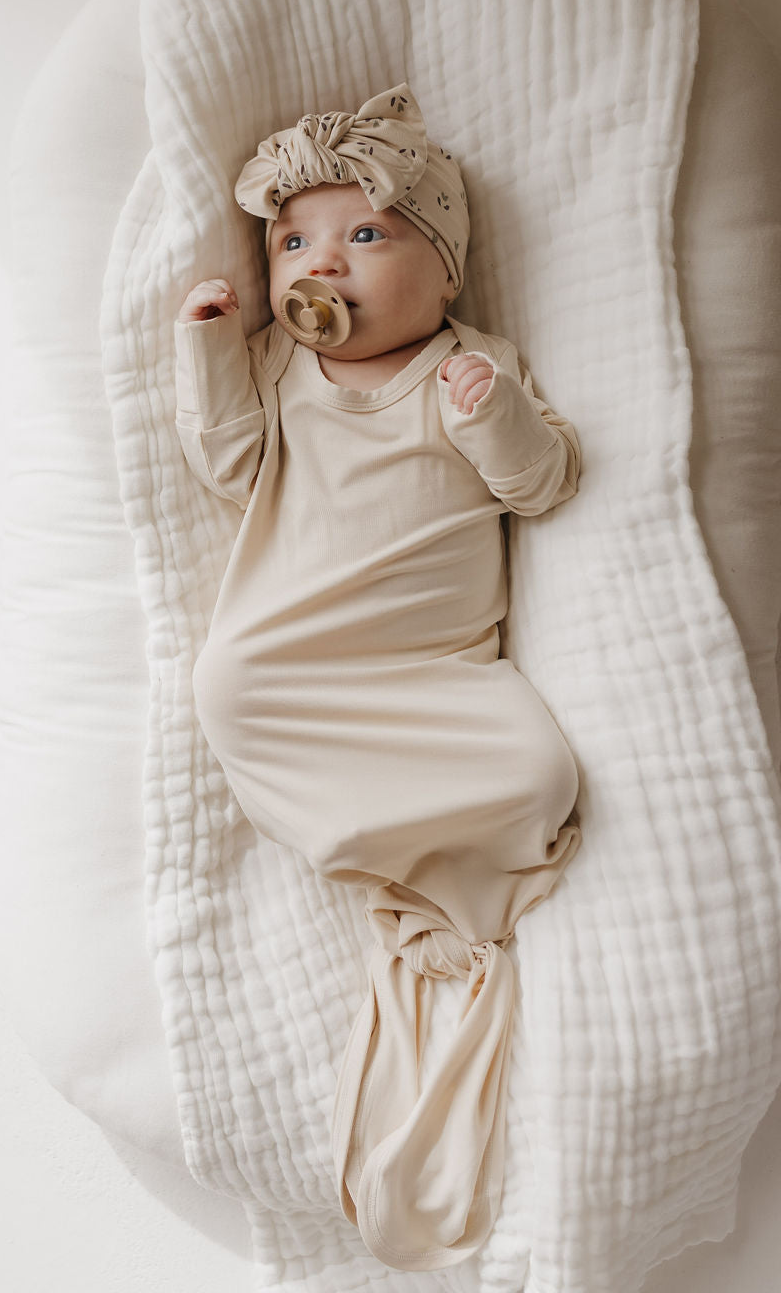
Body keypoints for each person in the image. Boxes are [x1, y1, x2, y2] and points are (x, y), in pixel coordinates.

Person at [173, 84, 582, 1271]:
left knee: (539, 769)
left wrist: (494, 418)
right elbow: (227, 463)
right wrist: (207, 346)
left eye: (365, 235)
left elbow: (543, 484)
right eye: (294, 240)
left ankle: (434, 870)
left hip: (435, 667)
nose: (324, 263)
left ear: (444, 272)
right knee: (227, 683)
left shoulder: (474, 367)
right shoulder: (280, 373)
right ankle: (393, 858)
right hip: (301, 655)